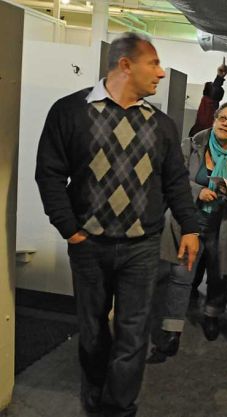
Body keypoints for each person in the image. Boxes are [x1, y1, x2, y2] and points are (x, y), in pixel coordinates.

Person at [35, 32, 200, 416]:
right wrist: (69, 228)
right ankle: (93, 399)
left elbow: (175, 180)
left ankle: (119, 408)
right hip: (88, 246)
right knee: (92, 332)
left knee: (133, 333)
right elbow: (50, 174)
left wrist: (189, 228)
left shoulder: (161, 124)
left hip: (142, 247)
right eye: (153, 63)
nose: (161, 73)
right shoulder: (70, 111)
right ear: (126, 65)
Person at [147, 102, 227, 364]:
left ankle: (212, 314)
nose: (225, 123)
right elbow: (172, 179)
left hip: (225, 223)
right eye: (222, 117)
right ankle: (172, 331)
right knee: (180, 275)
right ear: (214, 119)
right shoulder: (191, 145)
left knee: (219, 276)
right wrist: (199, 191)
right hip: (189, 221)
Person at [188, 60, 227, 137]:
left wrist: (219, 77)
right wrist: (219, 77)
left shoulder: (211, 106)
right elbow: (213, 93)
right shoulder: (207, 103)